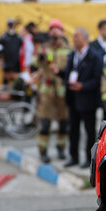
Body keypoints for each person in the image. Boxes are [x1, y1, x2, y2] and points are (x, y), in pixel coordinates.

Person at [63, 27, 103, 168]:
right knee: (73, 129)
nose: (74, 39)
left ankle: (89, 159)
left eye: (76, 36)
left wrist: (83, 86)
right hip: (73, 98)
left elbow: (98, 79)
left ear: (85, 38)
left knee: (89, 131)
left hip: (88, 99)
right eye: (73, 36)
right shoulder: (72, 55)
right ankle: (73, 157)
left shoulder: (94, 56)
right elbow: (68, 74)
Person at [34, 19, 71, 163]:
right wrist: (40, 56)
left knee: (64, 123)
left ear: (62, 32)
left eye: (57, 28)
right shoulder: (43, 48)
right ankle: (43, 151)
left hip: (62, 93)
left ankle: (61, 149)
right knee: (44, 123)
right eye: (52, 29)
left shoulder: (68, 50)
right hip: (47, 93)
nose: (54, 31)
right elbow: (35, 63)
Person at [0, 18, 23, 86]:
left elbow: (23, 49)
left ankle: (16, 91)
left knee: (16, 78)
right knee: (7, 77)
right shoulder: (3, 36)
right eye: (10, 25)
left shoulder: (18, 36)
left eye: (12, 25)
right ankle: (4, 89)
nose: (11, 27)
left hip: (16, 62)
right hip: (7, 61)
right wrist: (0, 58)